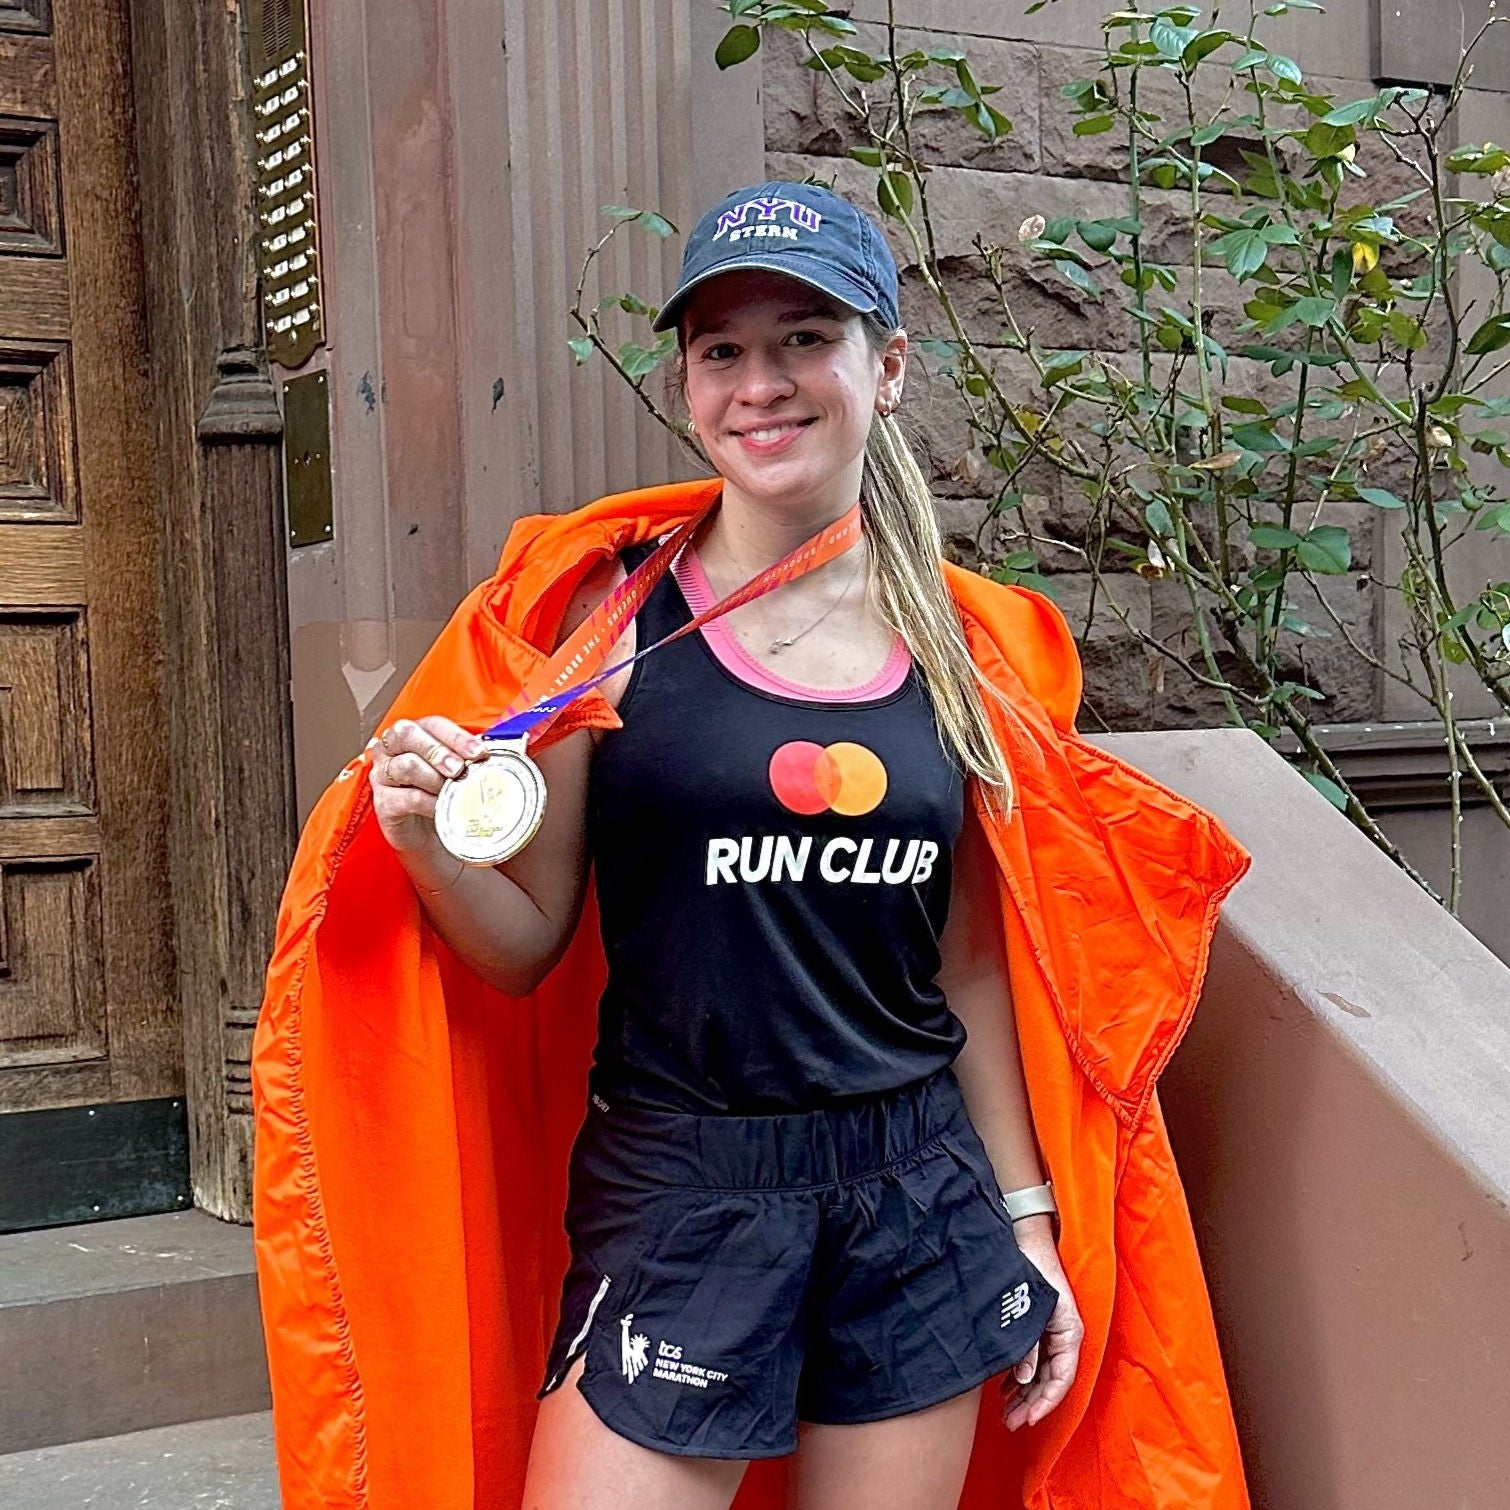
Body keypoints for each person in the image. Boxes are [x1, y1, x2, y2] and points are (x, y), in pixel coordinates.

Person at [253, 180, 1252, 1510]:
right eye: (721, 349)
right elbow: (525, 951)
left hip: (915, 1198)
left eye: (801, 338)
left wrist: (1028, 1220)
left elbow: (964, 970)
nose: (759, 381)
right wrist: (428, 848)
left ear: (884, 368)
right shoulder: (603, 627)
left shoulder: (967, 654)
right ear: (684, 386)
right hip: (684, 1189)